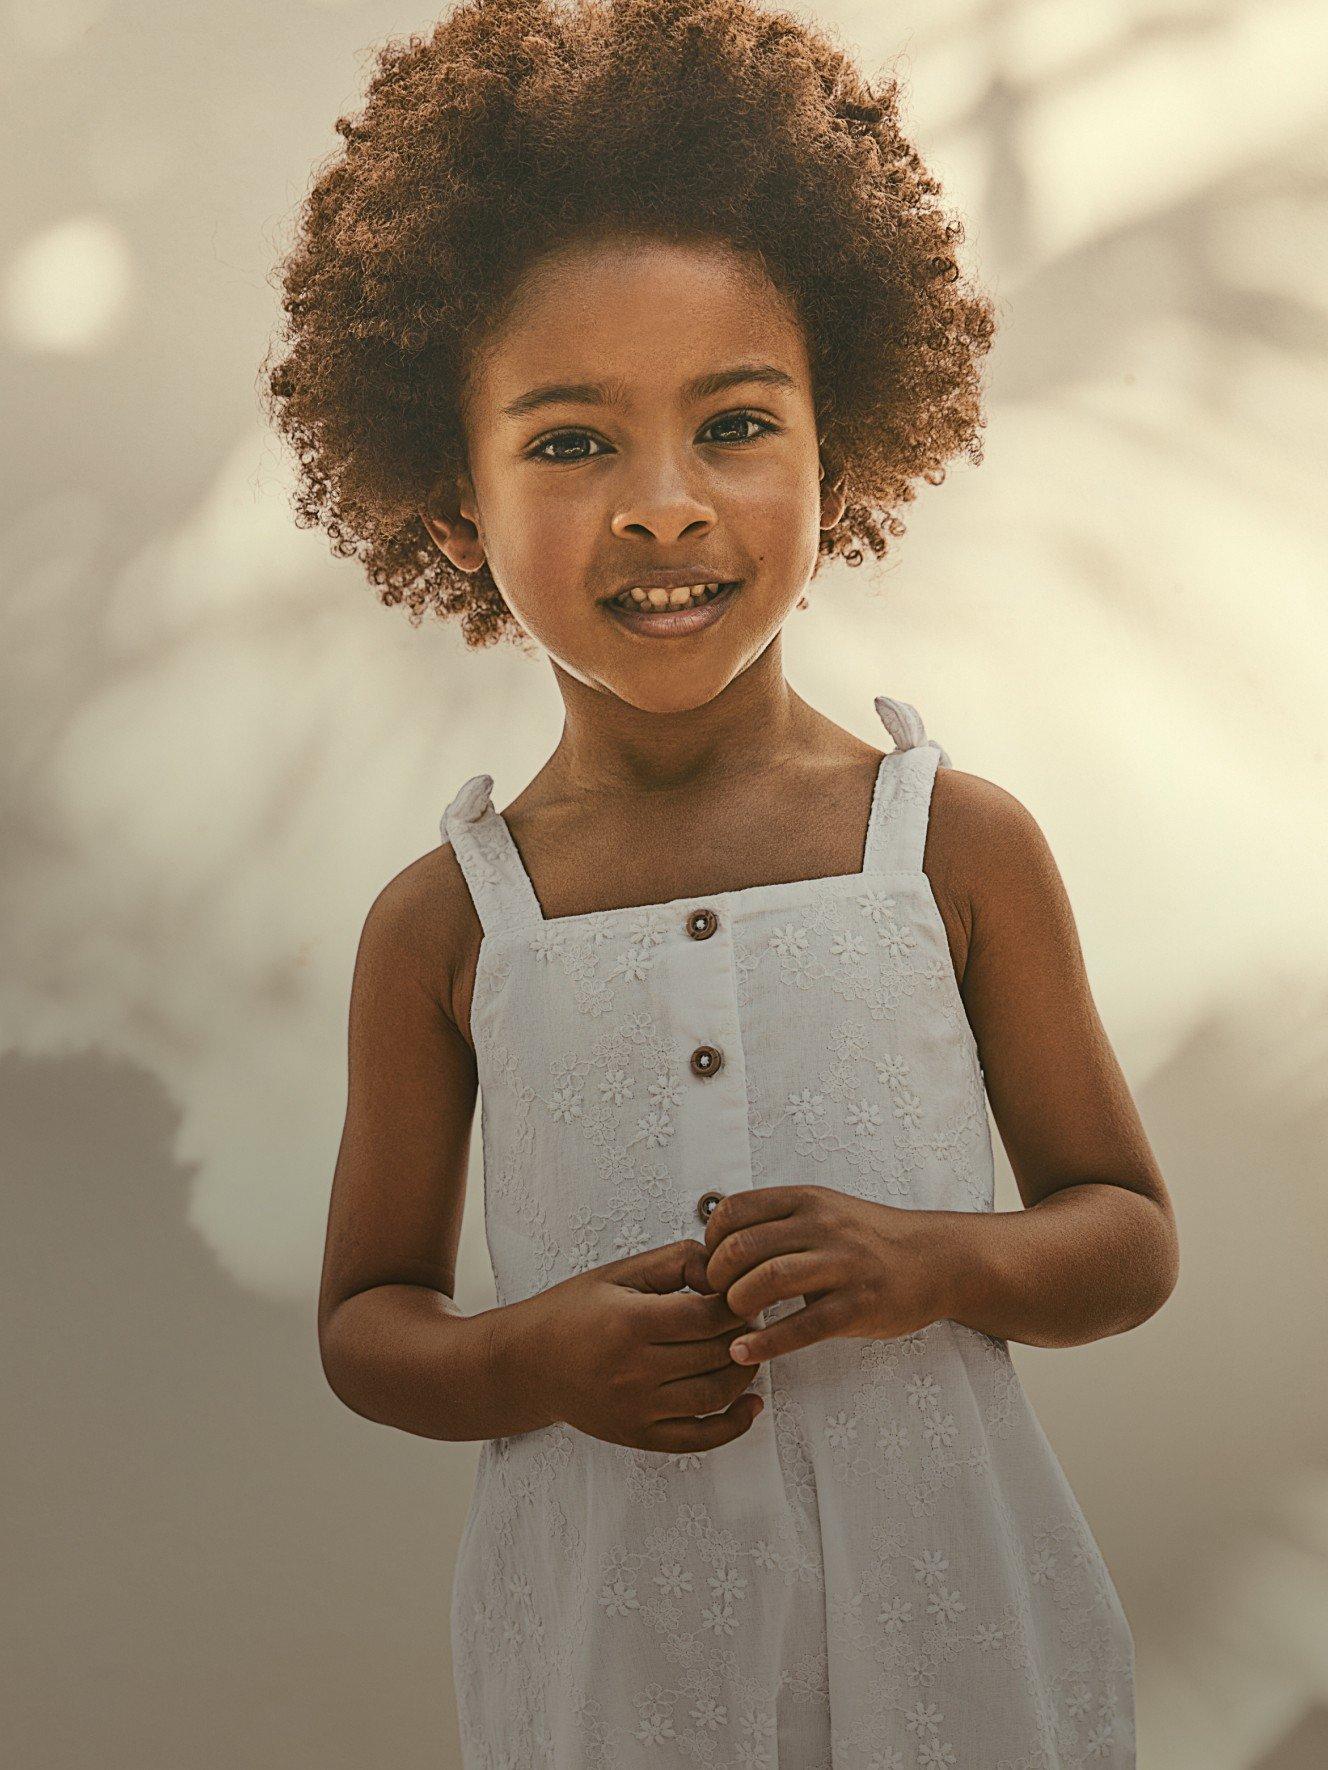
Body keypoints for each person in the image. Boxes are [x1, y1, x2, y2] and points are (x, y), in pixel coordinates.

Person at [267, 1, 1179, 1763]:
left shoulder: (953, 846)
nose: (666, 506)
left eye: (736, 423)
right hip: (617, 1670)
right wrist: (528, 1358)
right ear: (451, 504)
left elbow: (1123, 1238)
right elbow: (369, 1322)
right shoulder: (448, 926)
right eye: (568, 441)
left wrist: (933, 1260)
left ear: (842, 451)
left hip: (959, 1642)